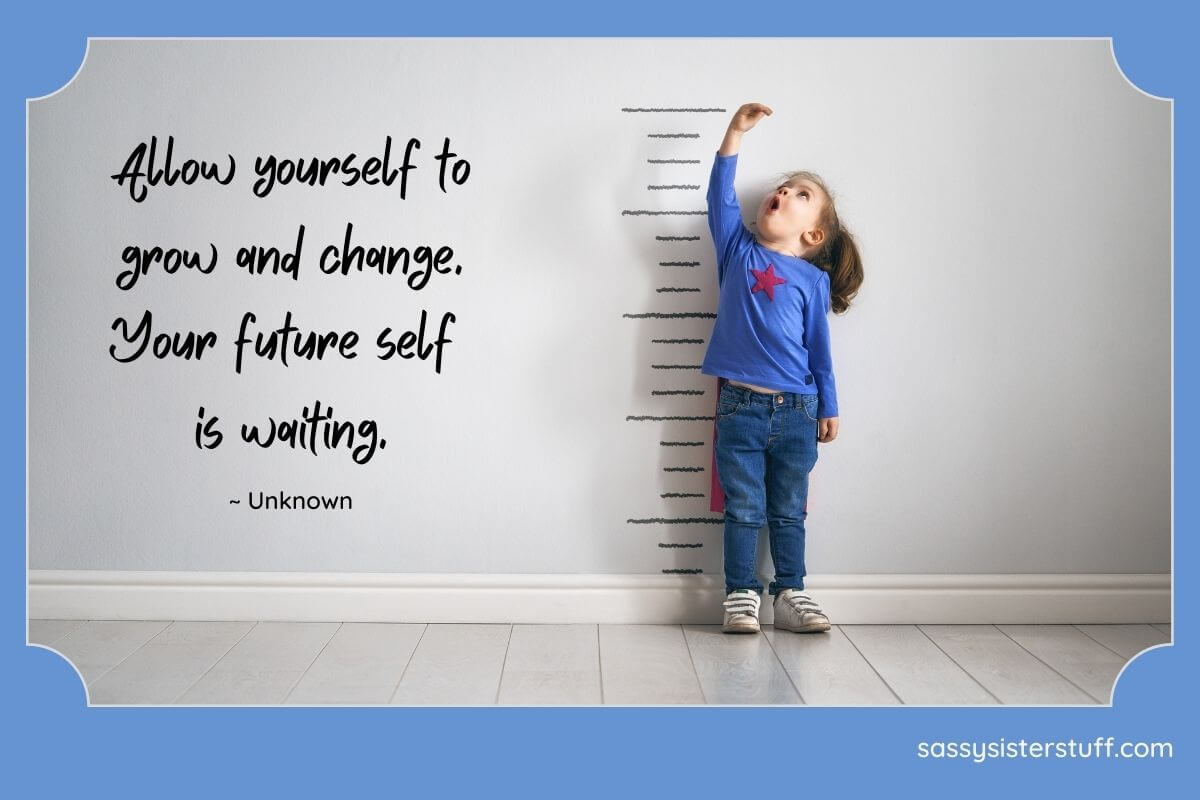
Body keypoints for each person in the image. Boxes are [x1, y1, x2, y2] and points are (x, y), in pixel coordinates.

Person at [701, 102, 864, 634]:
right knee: (744, 508)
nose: (786, 193)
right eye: (785, 187)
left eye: (802, 194)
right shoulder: (737, 251)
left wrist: (830, 405)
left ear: (813, 236)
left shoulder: (812, 283)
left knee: (789, 511)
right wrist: (734, 134)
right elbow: (720, 199)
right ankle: (740, 594)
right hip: (740, 408)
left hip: (798, 410)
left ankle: (790, 592)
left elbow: (820, 352)